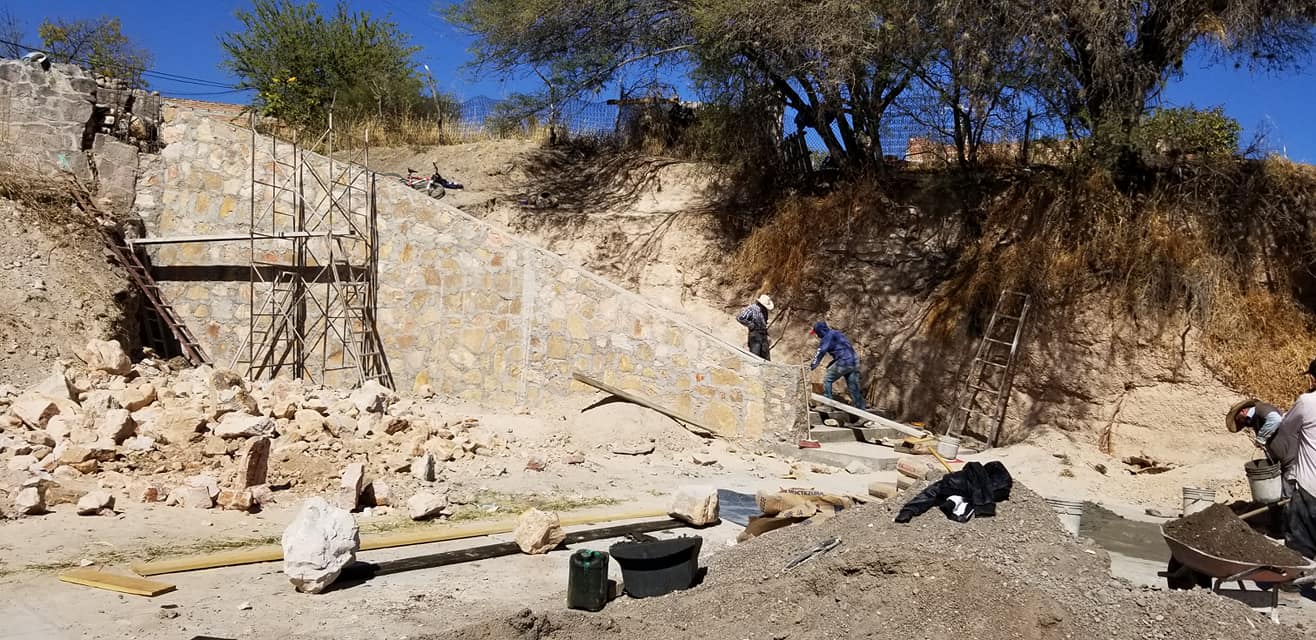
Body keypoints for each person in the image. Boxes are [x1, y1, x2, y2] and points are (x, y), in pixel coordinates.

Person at [1280, 359, 1316, 559]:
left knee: (1300, 544)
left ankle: (1294, 584)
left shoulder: (1306, 401)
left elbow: (1286, 428)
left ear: (1312, 378)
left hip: (1309, 488)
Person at [809, 321, 865, 411]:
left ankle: (828, 405)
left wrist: (813, 365)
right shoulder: (836, 333)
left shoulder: (826, 337)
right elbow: (842, 350)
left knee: (827, 379)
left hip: (844, 362)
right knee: (854, 388)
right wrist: (833, 362)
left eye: (817, 333)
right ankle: (863, 413)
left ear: (820, 331)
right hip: (854, 361)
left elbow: (821, 351)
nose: (817, 335)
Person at [735, 294, 774, 361]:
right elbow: (740, 317)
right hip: (755, 335)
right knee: (754, 356)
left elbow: (764, 324)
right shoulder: (752, 308)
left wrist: (767, 334)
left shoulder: (765, 311)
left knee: (766, 358)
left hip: (763, 335)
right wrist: (750, 325)